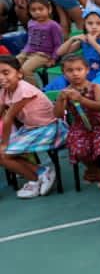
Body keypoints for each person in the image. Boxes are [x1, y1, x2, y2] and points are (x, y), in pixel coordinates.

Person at [0, 55, 65, 198]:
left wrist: (4, 144)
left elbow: (8, 118)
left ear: (19, 74)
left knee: (3, 154)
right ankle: (40, 173)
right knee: (3, 155)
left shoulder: (23, 90)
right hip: (31, 129)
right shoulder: (4, 91)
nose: (1, 77)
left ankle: (36, 177)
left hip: (49, 128)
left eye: (6, 72)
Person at [52, 53, 100, 187]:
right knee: (78, 148)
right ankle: (96, 171)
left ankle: (93, 171)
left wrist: (81, 99)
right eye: (70, 70)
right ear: (64, 73)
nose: (75, 74)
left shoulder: (95, 87)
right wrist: (60, 100)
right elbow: (58, 115)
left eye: (79, 69)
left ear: (87, 70)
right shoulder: (66, 91)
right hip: (80, 126)